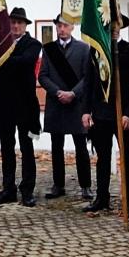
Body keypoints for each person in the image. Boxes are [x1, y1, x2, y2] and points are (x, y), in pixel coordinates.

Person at [82, 14, 129, 215]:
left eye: (117, 25)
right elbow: (89, 82)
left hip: (122, 113)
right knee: (102, 157)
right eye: (110, 25)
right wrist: (86, 111)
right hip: (101, 113)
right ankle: (102, 197)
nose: (114, 29)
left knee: (128, 158)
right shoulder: (97, 50)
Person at [0, 7, 42, 207]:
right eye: (12, 22)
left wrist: (1, 61)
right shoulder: (1, 43)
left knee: (26, 148)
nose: (16, 26)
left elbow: (25, 62)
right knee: (6, 148)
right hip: (4, 104)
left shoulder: (33, 44)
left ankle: (27, 190)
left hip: (25, 105)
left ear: (25, 25)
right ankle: (8, 188)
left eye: (19, 23)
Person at [38, 15, 92, 200]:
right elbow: (42, 76)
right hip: (56, 103)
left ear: (72, 27)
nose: (61, 29)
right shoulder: (49, 49)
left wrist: (73, 93)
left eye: (65, 26)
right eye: (59, 26)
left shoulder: (84, 49)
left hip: (77, 104)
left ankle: (86, 185)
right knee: (56, 147)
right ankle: (58, 185)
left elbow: (88, 77)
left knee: (81, 148)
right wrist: (58, 92)